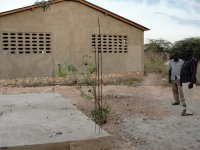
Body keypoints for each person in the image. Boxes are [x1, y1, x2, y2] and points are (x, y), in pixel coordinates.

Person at [180, 47, 198, 116]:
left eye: (189, 51)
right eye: (186, 51)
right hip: (185, 81)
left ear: (192, 52)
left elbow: (194, 72)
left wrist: (191, 82)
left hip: (189, 82)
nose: (187, 52)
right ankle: (190, 108)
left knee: (189, 97)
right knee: (187, 97)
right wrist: (181, 80)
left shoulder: (192, 60)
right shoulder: (187, 60)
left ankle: (190, 111)